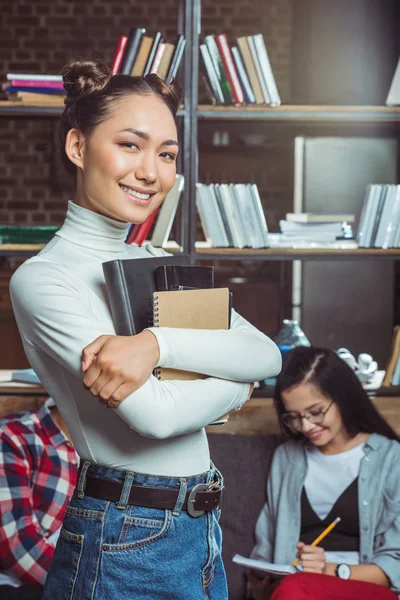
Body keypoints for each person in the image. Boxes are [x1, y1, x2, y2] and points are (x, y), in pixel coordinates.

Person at [9, 58, 282, 600]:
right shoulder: (44, 279)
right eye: (130, 145)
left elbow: (268, 354)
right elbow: (154, 416)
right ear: (78, 148)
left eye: (166, 154)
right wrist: (235, 385)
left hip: (200, 526)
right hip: (124, 534)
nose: (151, 172)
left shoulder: (157, 261)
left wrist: (156, 342)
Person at [248, 346, 400, 600]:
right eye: (294, 417)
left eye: (316, 412)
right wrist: (261, 583)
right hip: (293, 589)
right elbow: (267, 543)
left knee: (295, 590)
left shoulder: (390, 457)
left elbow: (396, 562)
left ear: (342, 398)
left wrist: (329, 570)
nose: (306, 426)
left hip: (363, 588)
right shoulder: (287, 458)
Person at [0, 399, 78, 600]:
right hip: (22, 584)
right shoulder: (14, 436)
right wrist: (83, 584)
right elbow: (17, 543)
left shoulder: (113, 450)